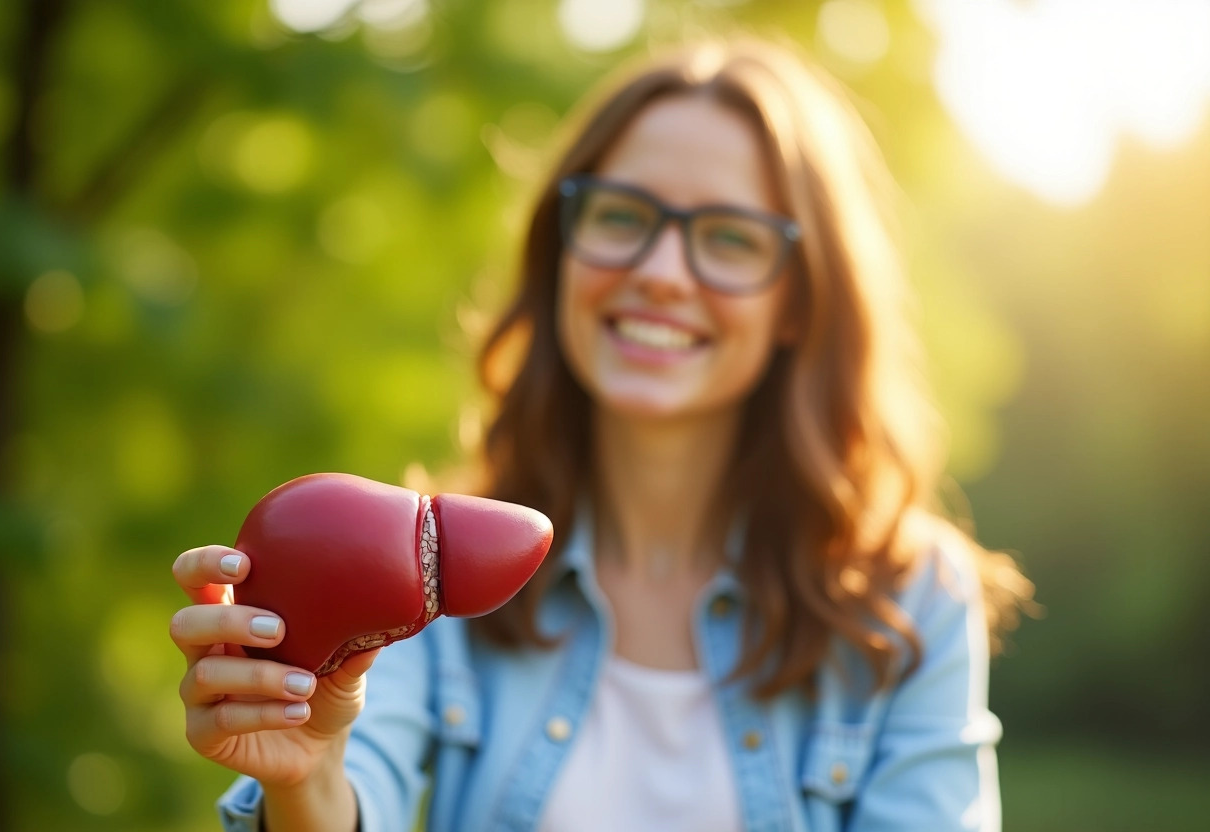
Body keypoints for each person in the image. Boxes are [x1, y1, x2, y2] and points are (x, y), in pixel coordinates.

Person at [170, 36, 1032, 832]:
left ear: (799, 302)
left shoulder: (910, 598)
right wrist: (306, 774)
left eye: (728, 238)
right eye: (622, 216)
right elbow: (363, 793)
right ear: (561, 253)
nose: (659, 273)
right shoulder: (437, 569)